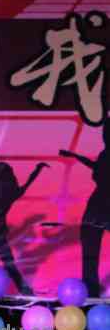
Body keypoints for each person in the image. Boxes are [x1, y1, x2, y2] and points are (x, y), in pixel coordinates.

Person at [0, 156, 48, 295]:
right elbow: (29, 181)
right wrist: (38, 169)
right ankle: (23, 289)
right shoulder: (12, 192)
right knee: (6, 262)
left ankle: (1, 289)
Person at [59, 122, 110, 297]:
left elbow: (99, 170)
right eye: (105, 132)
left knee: (90, 245)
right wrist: (75, 156)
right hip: (98, 204)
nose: (105, 136)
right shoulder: (105, 154)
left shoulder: (106, 154)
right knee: (89, 246)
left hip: (102, 204)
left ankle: (91, 288)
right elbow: (96, 167)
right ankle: (90, 289)